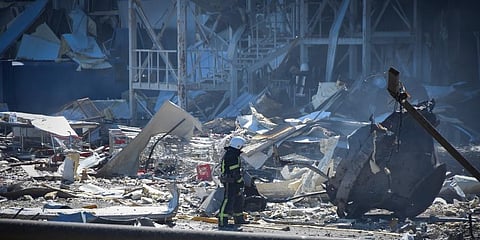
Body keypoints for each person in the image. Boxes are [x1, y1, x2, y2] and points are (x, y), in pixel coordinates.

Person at [218, 136, 249, 230]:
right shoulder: (231, 155)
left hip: (233, 181)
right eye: (242, 146)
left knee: (238, 199)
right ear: (238, 145)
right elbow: (235, 172)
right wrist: (240, 181)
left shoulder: (233, 153)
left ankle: (238, 218)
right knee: (228, 200)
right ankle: (222, 222)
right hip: (230, 182)